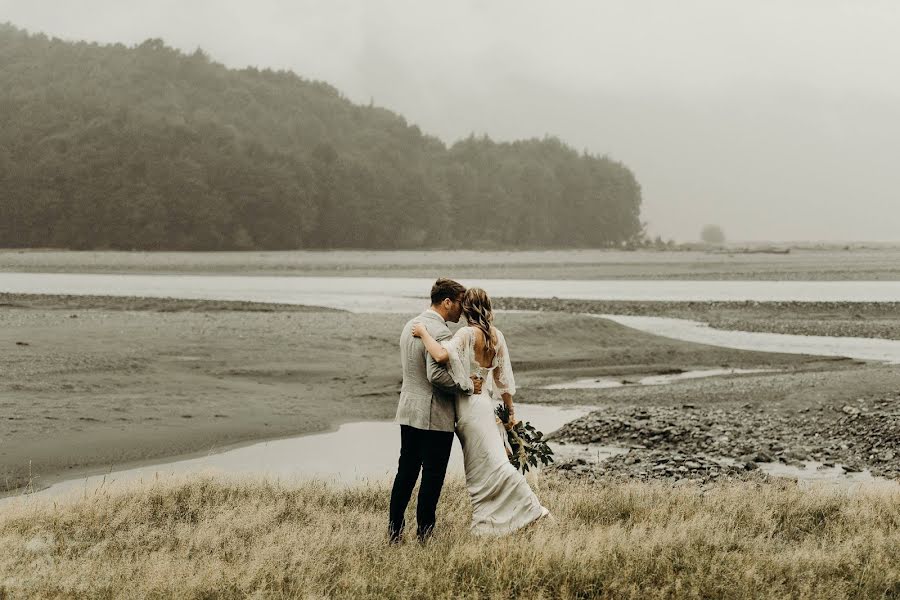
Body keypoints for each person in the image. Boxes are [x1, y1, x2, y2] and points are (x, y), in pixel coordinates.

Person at [412, 287, 550, 536]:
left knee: (482, 467)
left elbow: (441, 355)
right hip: (485, 405)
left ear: (467, 307)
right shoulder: (496, 336)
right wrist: (511, 415)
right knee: (490, 461)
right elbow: (503, 381)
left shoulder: (466, 333)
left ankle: (530, 508)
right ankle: (491, 523)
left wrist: (422, 332)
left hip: (468, 407)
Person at [389, 278, 482, 544]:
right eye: (460, 304)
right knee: (432, 475)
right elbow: (436, 375)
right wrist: (466, 387)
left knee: (405, 472)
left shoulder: (411, 325)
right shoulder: (440, 333)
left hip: (408, 409)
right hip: (434, 414)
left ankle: (394, 533)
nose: (462, 310)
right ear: (447, 302)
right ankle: (425, 536)